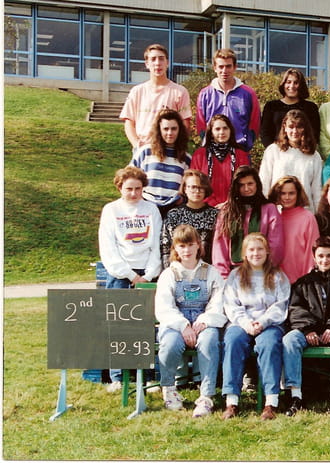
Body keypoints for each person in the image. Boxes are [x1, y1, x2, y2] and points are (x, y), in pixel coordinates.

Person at [98, 166, 162, 392]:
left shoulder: (151, 209)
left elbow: (156, 245)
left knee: (146, 325)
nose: (134, 193)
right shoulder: (111, 210)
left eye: (138, 189)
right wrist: (130, 275)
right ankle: (117, 376)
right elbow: (108, 248)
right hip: (120, 274)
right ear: (120, 188)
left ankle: (147, 376)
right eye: (129, 189)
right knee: (119, 326)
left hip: (147, 273)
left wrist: (147, 275)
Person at [282, 236, 330, 417]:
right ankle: (295, 396)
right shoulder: (304, 283)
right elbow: (295, 308)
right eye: (321, 256)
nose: (325, 260)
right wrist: (308, 329)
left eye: (329, 256)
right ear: (314, 257)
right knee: (289, 340)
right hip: (309, 332)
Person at [155, 224, 226, 417]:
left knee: (210, 342)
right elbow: (164, 307)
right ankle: (169, 389)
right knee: (170, 344)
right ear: (175, 248)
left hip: (204, 322)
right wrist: (183, 325)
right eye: (182, 246)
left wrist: (205, 320)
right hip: (176, 323)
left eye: (190, 245)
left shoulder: (211, 272)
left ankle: (206, 396)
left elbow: (218, 302)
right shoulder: (169, 274)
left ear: (198, 246)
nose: (186, 250)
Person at [221, 233, 290, 420]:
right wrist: (246, 323)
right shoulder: (235, 276)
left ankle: (270, 402)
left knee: (269, 345)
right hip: (241, 323)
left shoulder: (278, 276)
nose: (256, 253)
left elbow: (280, 305)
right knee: (233, 341)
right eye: (251, 249)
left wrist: (263, 322)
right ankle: (232, 401)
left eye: (260, 249)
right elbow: (231, 304)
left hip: (269, 324)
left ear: (267, 252)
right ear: (244, 253)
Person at [212, 166, 283, 278]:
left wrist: (267, 269)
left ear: (257, 184)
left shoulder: (269, 209)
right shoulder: (227, 211)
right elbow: (220, 246)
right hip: (233, 273)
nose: (246, 189)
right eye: (241, 185)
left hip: (262, 271)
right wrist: (223, 276)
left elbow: (276, 244)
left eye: (250, 184)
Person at [120, 43, 192, 150]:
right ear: (147, 64)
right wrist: (136, 144)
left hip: (169, 150)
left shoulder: (180, 92)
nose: (157, 63)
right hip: (142, 149)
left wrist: (176, 146)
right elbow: (129, 122)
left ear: (167, 63)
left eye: (161, 59)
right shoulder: (136, 92)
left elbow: (185, 124)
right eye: (153, 59)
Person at [195, 48, 261, 153]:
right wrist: (207, 143)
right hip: (212, 152)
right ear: (215, 68)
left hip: (240, 150)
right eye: (221, 66)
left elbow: (254, 123)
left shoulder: (248, 93)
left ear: (235, 67)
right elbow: (201, 125)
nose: (224, 71)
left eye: (228, 66)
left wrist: (246, 144)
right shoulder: (205, 94)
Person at [130, 109, 192, 218]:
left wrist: (182, 198)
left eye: (174, 129)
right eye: (166, 129)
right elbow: (128, 177)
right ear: (159, 130)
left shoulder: (186, 158)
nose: (170, 133)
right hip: (146, 206)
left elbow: (190, 186)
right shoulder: (145, 152)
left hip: (173, 209)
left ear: (179, 130)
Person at [259, 109, 322, 211]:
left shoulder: (314, 156)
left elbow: (317, 189)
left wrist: (318, 215)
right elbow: (264, 183)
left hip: (304, 212)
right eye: (291, 127)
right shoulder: (273, 151)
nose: (295, 131)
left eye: (299, 127)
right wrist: (264, 210)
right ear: (285, 127)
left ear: (305, 128)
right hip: (277, 211)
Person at [160, 170, 218, 269]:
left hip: (207, 270)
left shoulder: (215, 215)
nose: (197, 191)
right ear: (185, 188)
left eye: (201, 187)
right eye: (193, 187)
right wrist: (170, 270)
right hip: (178, 270)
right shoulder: (174, 215)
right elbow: (165, 246)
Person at [190, 114, 251, 207]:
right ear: (211, 132)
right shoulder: (199, 155)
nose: (222, 132)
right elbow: (195, 183)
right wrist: (212, 204)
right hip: (205, 207)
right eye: (217, 129)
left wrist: (228, 204)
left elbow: (244, 184)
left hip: (234, 207)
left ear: (230, 131)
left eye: (225, 128)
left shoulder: (241, 155)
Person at [268, 176, 320, 285]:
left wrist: (306, 281)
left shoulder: (307, 218)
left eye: (291, 193)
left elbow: (312, 253)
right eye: (283, 193)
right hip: (277, 282)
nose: (287, 197)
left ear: (298, 194)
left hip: (300, 282)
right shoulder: (275, 217)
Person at [260, 68, 320, 148]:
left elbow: (315, 134)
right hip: (277, 152)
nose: (291, 86)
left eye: (296, 83)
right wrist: (275, 151)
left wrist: (302, 151)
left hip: (302, 152)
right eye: (288, 82)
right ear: (283, 84)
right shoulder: (271, 106)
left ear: (301, 85)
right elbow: (265, 133)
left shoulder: (310, 108)